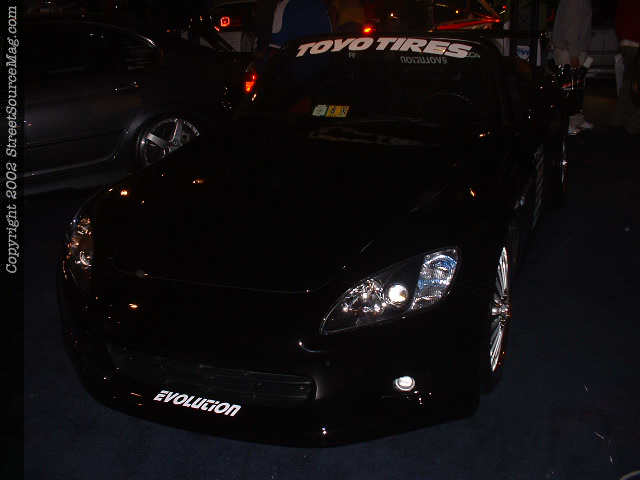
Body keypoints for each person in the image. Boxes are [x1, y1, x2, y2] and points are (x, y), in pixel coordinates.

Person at [552, 0, 593, 134]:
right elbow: (572, 28)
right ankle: (567, 122)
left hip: (571, 50)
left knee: (575, 89)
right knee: (569, 89)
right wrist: (574, 54)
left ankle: (575, 119)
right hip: (569, 51)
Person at [612, 0, 640, 135]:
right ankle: (631, 124)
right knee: (631, 84)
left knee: (628, 84)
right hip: (636, 44)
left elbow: (618, 20)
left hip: (626, 43)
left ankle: (620, 121)